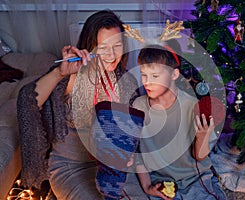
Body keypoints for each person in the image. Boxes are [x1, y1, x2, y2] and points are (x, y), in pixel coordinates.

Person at [17, 10, 142, 200]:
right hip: (71, 167)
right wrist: (60, 72)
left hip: (111, 169)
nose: (111, 54)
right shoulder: (71, 75)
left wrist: (128, 155)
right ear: (90, 46)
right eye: (103, 47)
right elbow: (28, 101)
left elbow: (133, 132)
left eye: (117, 45)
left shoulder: (126, 81)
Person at [132, 43, 227, 200]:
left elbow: (200, 157)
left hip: (193, 178)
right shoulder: (138, 106)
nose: (147, 82)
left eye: (155, 76)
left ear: (174, 75)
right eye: (144, 75)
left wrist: (203, 136)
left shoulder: (192, 106)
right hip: (159, 180)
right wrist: (147, 187)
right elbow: (138, 153)